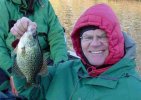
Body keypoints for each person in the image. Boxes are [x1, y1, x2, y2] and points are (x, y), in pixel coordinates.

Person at [13, 3, 141, 100]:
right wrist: (22, 40)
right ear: (79, 42)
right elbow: (30, 89)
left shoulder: (135, 89)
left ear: (115, 40)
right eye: (88, 37)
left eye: (103, 36)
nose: (95, 43)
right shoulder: (62, 71)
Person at [0, 0, 68, 98]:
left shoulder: (45, 4)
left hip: (43, 61)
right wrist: (12, 73)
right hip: (9, 64)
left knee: (61, 83)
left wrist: (61, 65)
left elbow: (57, 36)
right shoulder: (3, 5)